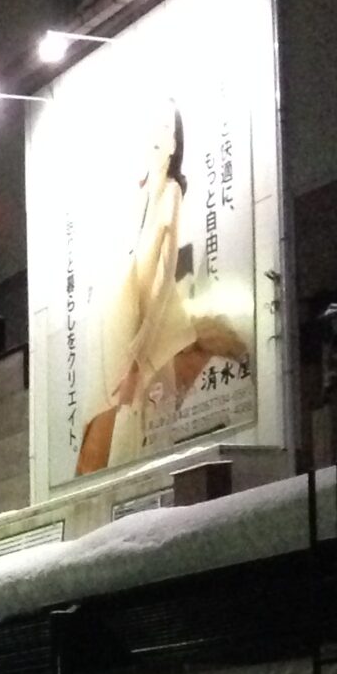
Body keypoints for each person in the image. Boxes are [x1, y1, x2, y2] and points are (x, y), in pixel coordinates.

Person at [75, 106, 254, 476]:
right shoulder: (141, 197)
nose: (155, 137)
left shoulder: (171, 192)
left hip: (146, 329)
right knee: (114, 415)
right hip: (127, 324)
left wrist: (141, 344)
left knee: (131, 416)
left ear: (174, 143)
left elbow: (166, 271)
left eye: (164, 129)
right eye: (151, 128)